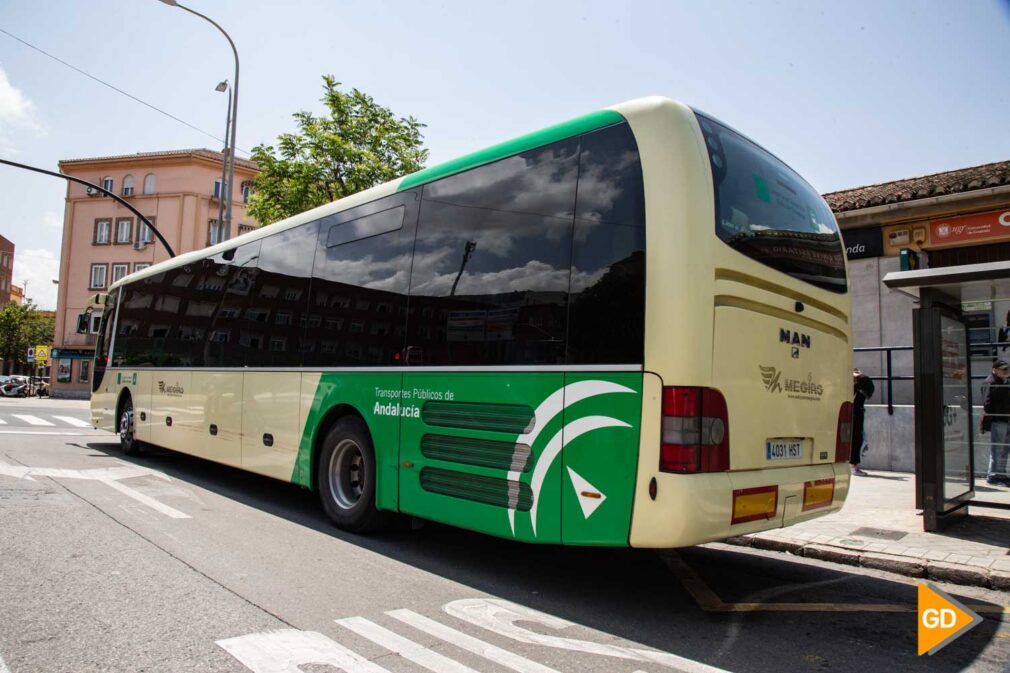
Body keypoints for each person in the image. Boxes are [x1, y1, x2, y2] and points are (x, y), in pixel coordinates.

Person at [983, 359, 1010, 486]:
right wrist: (996, 415)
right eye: (1003, 369)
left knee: (1005, 449)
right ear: (995, 370)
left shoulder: (1003, 382)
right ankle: (993, 475)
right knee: (997, 449)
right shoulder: (991, 382)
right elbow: (987, 404)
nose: (1006, 371)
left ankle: (1001, 474)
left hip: (1005, 419)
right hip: (999, 420)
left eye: (1007, 369)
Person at [850, 369, 874, 476]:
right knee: (856, 439)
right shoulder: (861, 386)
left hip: (855, 413)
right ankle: (853, 466)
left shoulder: (854, 387)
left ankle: (853, 466)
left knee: (856, 439)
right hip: (856, 414)